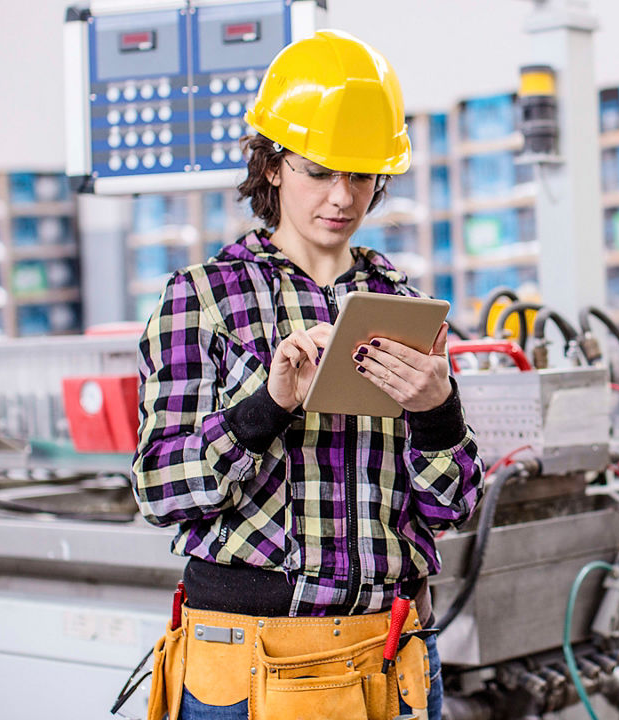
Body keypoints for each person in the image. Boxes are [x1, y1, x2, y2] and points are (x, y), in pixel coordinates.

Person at [131, 29, 483, 720]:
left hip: (392, 651)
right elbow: (159, 489)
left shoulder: (404, 306)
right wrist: (268, 405)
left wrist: (437, 412)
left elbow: (452, 508)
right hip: (252, 657)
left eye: (360, 174)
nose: (342, 196)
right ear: (272, 166)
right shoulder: (204, 298)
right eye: (318, 171)